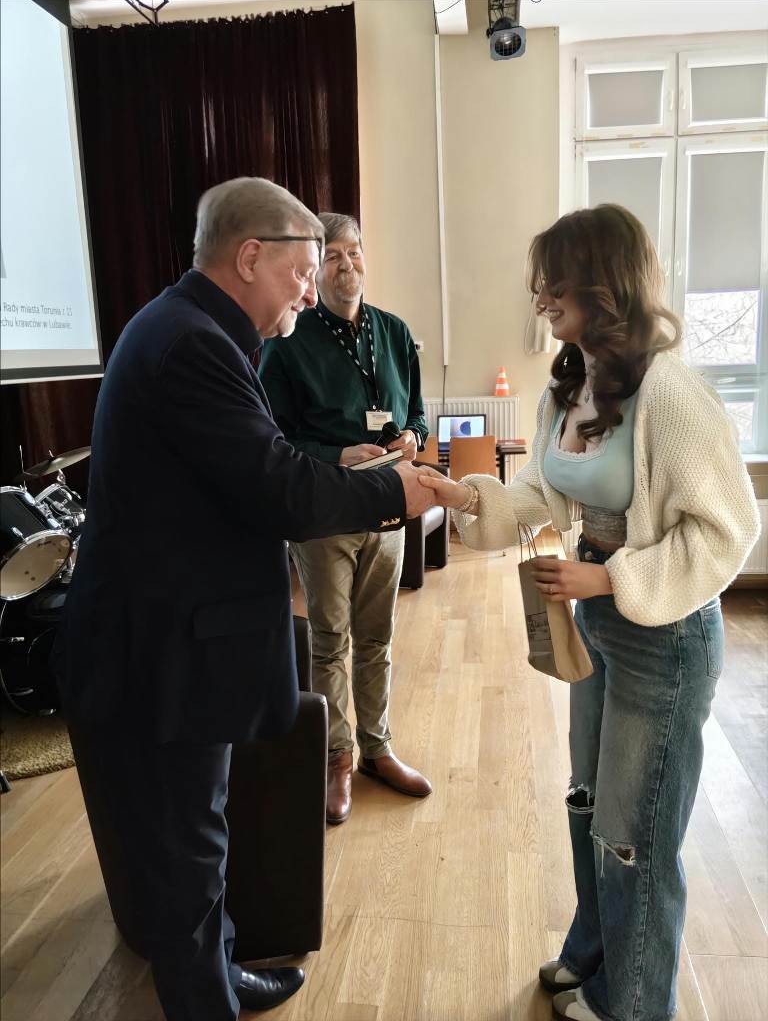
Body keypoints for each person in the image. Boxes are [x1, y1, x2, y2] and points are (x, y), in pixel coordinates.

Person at [55, 178, 436, 1021]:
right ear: (251, 256)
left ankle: (222, 973)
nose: (310, 290)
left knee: (204, 831)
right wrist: (396, 491)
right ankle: (207, 1001)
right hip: (163, 647)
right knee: (189, 847)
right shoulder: (192, 345)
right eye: (304, 270)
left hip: (179, 632)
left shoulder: (194, 330)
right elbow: (278, 487)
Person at [417, 205, 760, 1021]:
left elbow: (727, 531)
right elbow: (540, 492)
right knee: (591, 804)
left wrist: (608, 580)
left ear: (603, 284)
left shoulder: (673, 396)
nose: (540, 297)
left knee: (635, 832)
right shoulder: (568, 384)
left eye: (554, 281)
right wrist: (462, 496)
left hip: (665, 637)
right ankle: (594, 955)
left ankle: (631, 1005)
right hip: (600, 623)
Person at [259, 212, 432, 826]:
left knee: (377, 636)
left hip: (388, 503)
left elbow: (417, 411)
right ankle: (336, 757)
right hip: (325, 509)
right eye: (332, 255)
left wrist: (411, 436)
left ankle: (377, 749)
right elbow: (273, 439)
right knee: (330, 640)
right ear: (314, 268)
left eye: (354, 252)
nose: (346, 265)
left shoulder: (394, 331)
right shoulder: (287, 341)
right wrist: (337, 455)